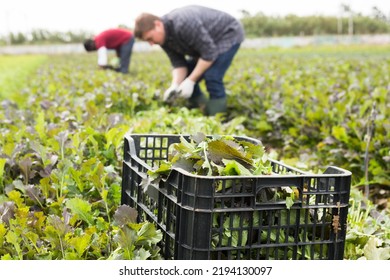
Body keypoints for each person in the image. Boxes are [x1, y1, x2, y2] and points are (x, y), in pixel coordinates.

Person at [134, 5, 244, 115]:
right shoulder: (162, 39)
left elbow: (209, 54)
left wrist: (191, 80)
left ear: (157, 24)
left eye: (150, 38)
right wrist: (175, 85)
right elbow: (179, 64)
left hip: (227, 34)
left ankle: (218, 118)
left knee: (212, 76)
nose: (151, 44)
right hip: (206, 45)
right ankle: (202, 109)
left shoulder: (182, 23)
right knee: (186, 78)